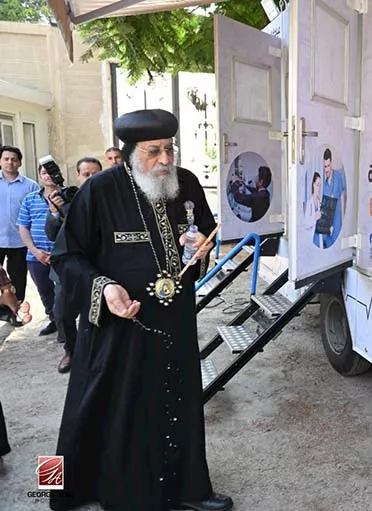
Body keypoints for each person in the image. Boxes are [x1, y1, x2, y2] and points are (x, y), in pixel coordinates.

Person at [49, 109, 232, 511]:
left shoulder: (185, 183)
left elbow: (204, 231)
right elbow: (66, 256)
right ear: (132, 153)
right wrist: (104, 287)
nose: (165, 159)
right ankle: (85, 489)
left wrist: (200, 244)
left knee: (178, 403)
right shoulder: (100, 190)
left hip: (175, 320)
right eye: (154, 151)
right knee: (109, 407)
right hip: (120, 324)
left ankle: (190, 490)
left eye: (170, 149)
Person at [46, 157, 102, 373]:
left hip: (98, 269)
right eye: (86, 174)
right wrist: (55, 212)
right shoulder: (67, 199)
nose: (91, 178)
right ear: (78, 176)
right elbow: (52, 234)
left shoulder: (109, 200)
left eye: (95, 174)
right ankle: (71, 351)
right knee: (62, 314)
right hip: (67, 270)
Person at [18, 163, 59, 336]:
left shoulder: (68, 195)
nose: (48, 176)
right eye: (44, 173)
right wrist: (34, 251)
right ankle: (54, 321)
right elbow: (23, 227)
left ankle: (67, 324)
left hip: (62, 255)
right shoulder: (30, 199)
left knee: (65, 293)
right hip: (36, 256)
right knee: (45, 293)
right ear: (40, 176)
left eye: (51, 172)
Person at [0, 145, 39, 326]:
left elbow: (35, 213)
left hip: (20, 241)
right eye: (6, 159)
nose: (10, 162)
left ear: (20, 163)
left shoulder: (30, 186)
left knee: (18, 279)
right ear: (0, 161)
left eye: (14, 159)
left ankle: (14, 312)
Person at [319, 148, 346, 248]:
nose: (326, 169)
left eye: (328, 166)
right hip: (325, 222)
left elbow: (342, 198)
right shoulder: (323, 182)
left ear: (331, 163)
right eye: (324, 167)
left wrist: (343, 220)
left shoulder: (338, 176)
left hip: (337, 220)